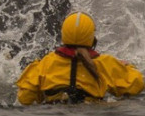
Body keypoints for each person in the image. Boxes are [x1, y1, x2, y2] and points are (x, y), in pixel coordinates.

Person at [16, 11, 144, 105]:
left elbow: (24, 98)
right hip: (91, 114)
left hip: (53, 115)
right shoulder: (105, 63)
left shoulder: (45, 63)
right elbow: (137, 85)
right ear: (92, 37)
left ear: (63, 34)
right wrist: (126, 66)